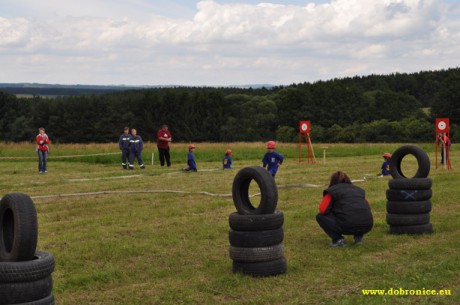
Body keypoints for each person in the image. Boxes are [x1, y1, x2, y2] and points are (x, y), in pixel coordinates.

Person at [316, 171, 373, 247]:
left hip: (347, 226)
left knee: (320, 216)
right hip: (367, 225)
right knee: (359, 214)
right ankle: (358, 238)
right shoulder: (359, 190)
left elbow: (322, 209)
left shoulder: (332, 191)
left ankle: (338, 240)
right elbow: (368, 207)